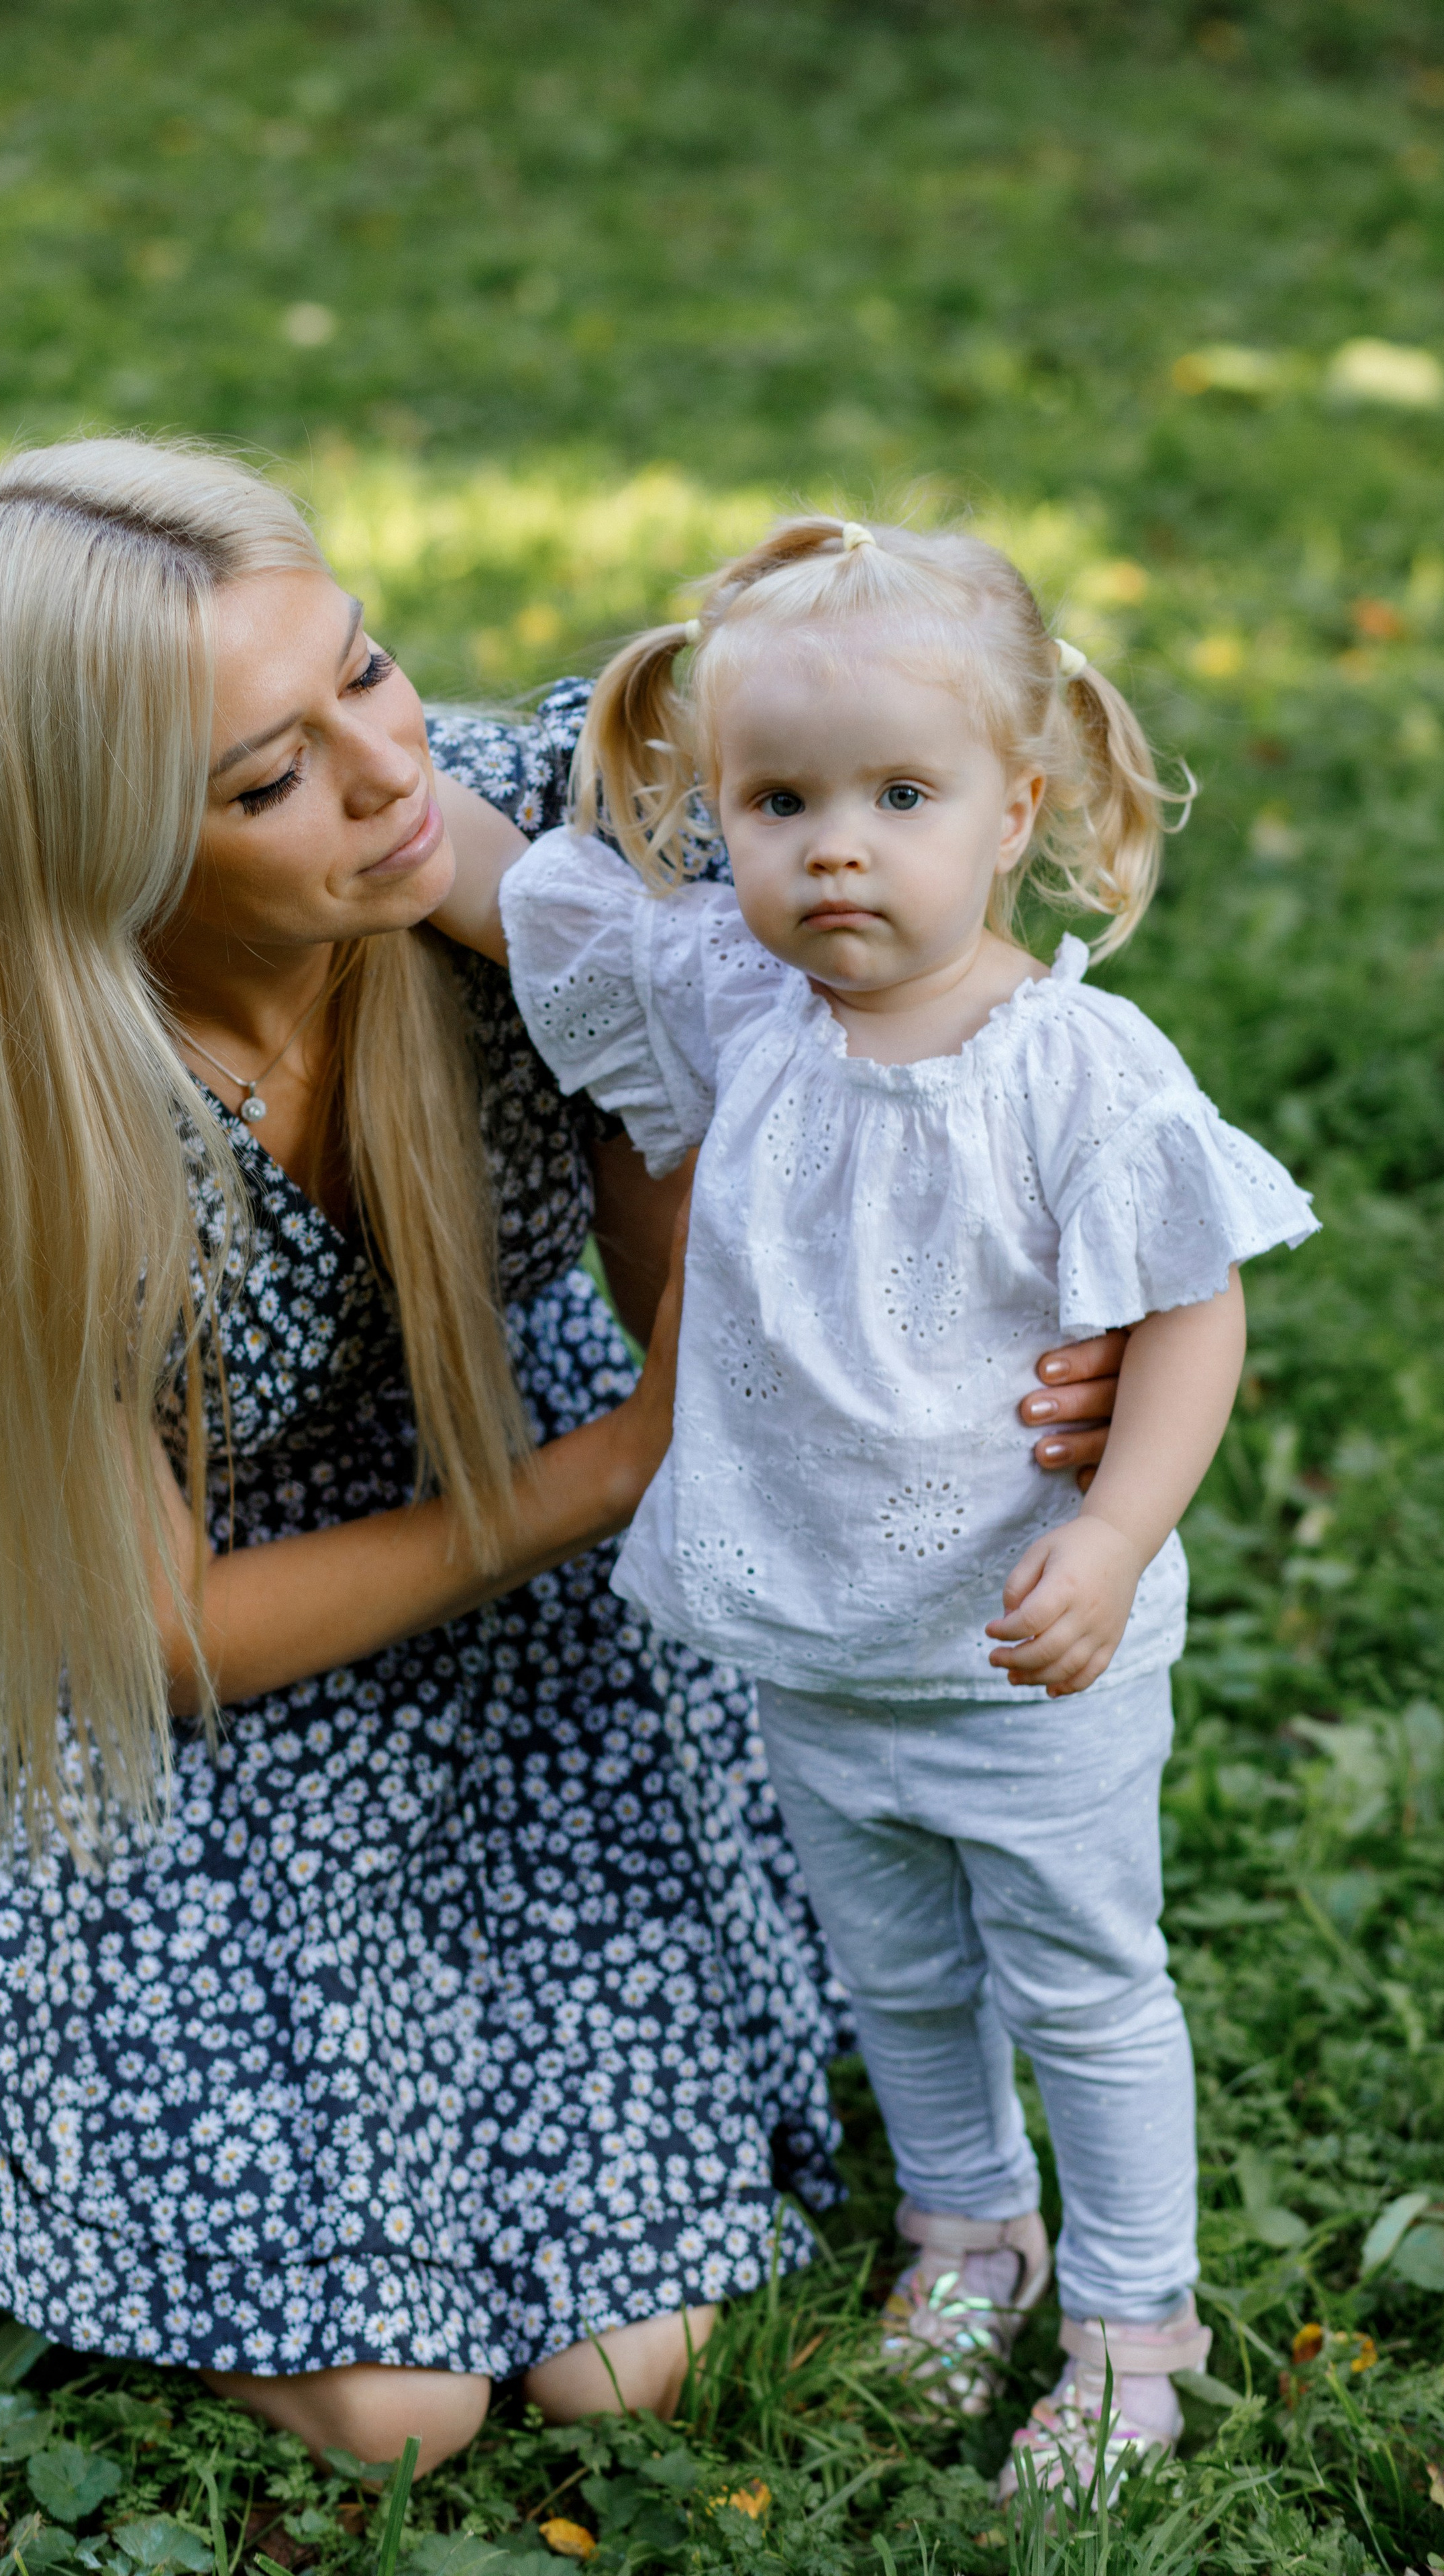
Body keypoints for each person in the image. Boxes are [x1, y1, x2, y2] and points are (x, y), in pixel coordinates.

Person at [0, 447, 1129, 2477]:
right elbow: (161, 1638)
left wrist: (1040, 1346)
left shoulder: (521, 848)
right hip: (144, 1631)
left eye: (366, 669)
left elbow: (841, 1086)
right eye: (266, 780)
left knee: (626, 2363)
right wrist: (622, 1468)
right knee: (393, 2411)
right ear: (101, 843)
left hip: (496, 1461)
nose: (389, 771)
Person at [435, 514, 1318, 2498]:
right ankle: (967, 2230)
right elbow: (530, 901)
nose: (836, 850)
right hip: (817, 1638)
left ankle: (1133, 2325)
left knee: (1082, 1983)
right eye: (780, 802)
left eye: (900, 797)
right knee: (901, 1976)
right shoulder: (746, 1008)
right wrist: (387, 812)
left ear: (1016, 812)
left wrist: (1114, 1537)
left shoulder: (1075, 1067)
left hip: (1023, 1652)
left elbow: (1195, 1316)